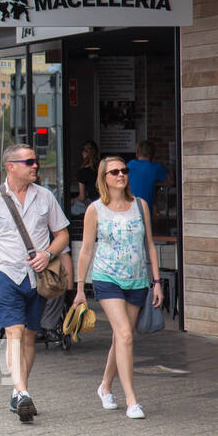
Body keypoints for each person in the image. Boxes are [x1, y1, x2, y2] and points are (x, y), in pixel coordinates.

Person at [0, 143, 70, 424]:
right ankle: (22, 391)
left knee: (29, 337)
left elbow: (62, 234)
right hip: (7, 277)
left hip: (37, 279)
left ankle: (18, 392)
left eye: (35, 161)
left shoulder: (45, 197)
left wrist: (48, 254)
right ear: (11, 166)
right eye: (29, 162)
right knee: (13, 332)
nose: (35, 166)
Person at [75, 156, 164, 420]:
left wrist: (156, 282)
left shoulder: (141, 205)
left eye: (124, 170)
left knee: (121, 338)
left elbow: (149, 244)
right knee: (124, 334)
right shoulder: (95, 209)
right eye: (114, 172)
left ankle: (105, 386)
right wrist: (80, 287)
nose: (121, 175)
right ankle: (132, 400)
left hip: (137, 280)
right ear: (104, 178)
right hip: (107, 279)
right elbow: (86, 250)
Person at [126, 140, 170, 206]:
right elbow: (170, 182)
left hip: (129, 204)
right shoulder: (156, 167)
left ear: (137, 153)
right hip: (146, 205)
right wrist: (155, 183)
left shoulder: (130, 164)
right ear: (153, 154)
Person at [73, 140, 100, 215]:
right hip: (103, 202)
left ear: (84, 153)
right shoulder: (102, 168)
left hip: (92, 204)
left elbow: (82, 197)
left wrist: (72, 201)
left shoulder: (82, 171)